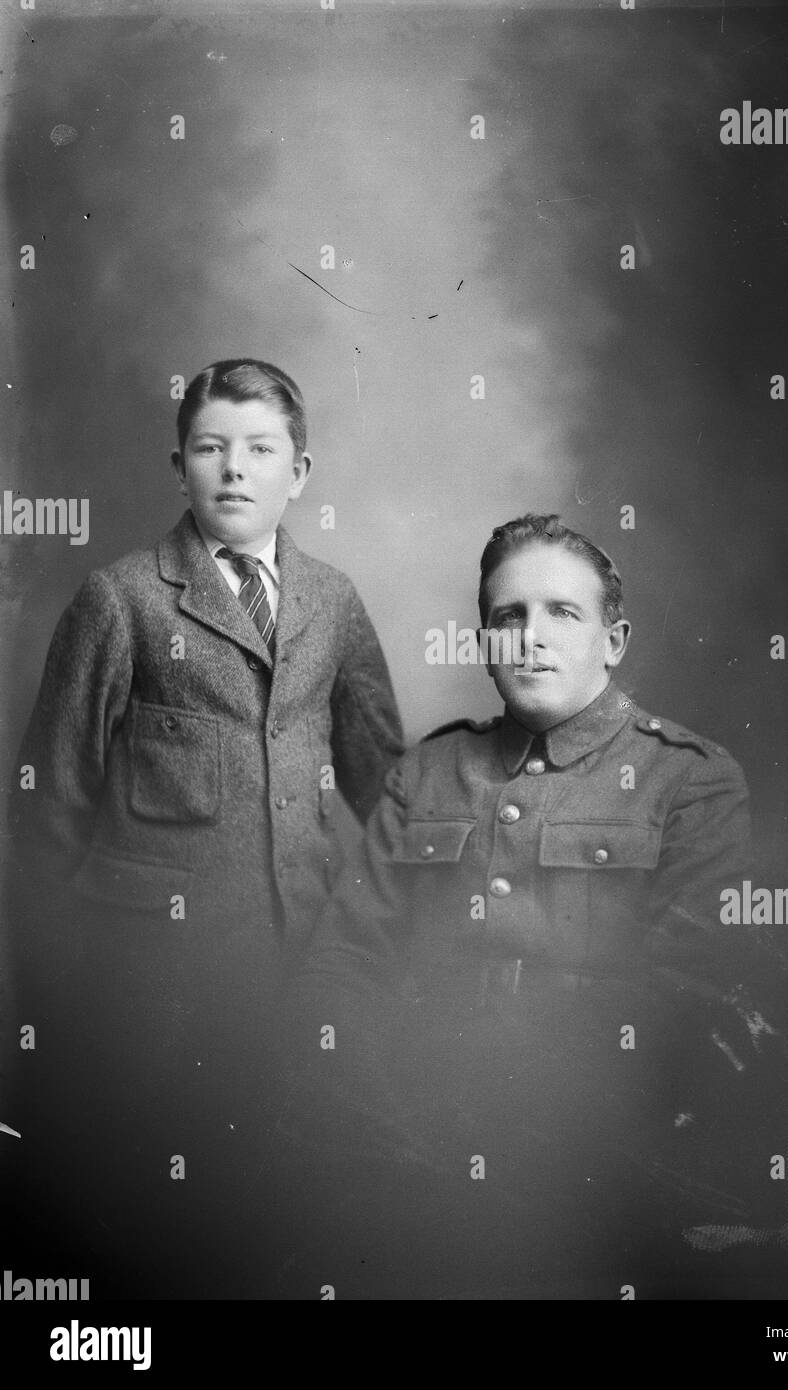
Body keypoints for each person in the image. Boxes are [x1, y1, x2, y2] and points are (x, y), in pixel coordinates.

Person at [282, 513, 788, 1299]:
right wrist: (380, 1102)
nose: (530, 637)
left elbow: (683, 990)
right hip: (408, 1133)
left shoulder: (691, 781)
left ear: (614, 640)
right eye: (509, 617)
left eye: (562, 613)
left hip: (602, 1153)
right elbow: (344, 959)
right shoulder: (426, 774)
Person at [5, 358, 404, 1296]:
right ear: (177, 463)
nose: (235, 470)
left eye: (261, 450)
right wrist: (67, 988)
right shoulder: (123, 600)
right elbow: (48, 806)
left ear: (299, 473)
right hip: (153, 982)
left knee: (280, 1210)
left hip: (299, 966)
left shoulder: (331, 601)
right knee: (156, 1224)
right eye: (211, 449)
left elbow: (386, 787)